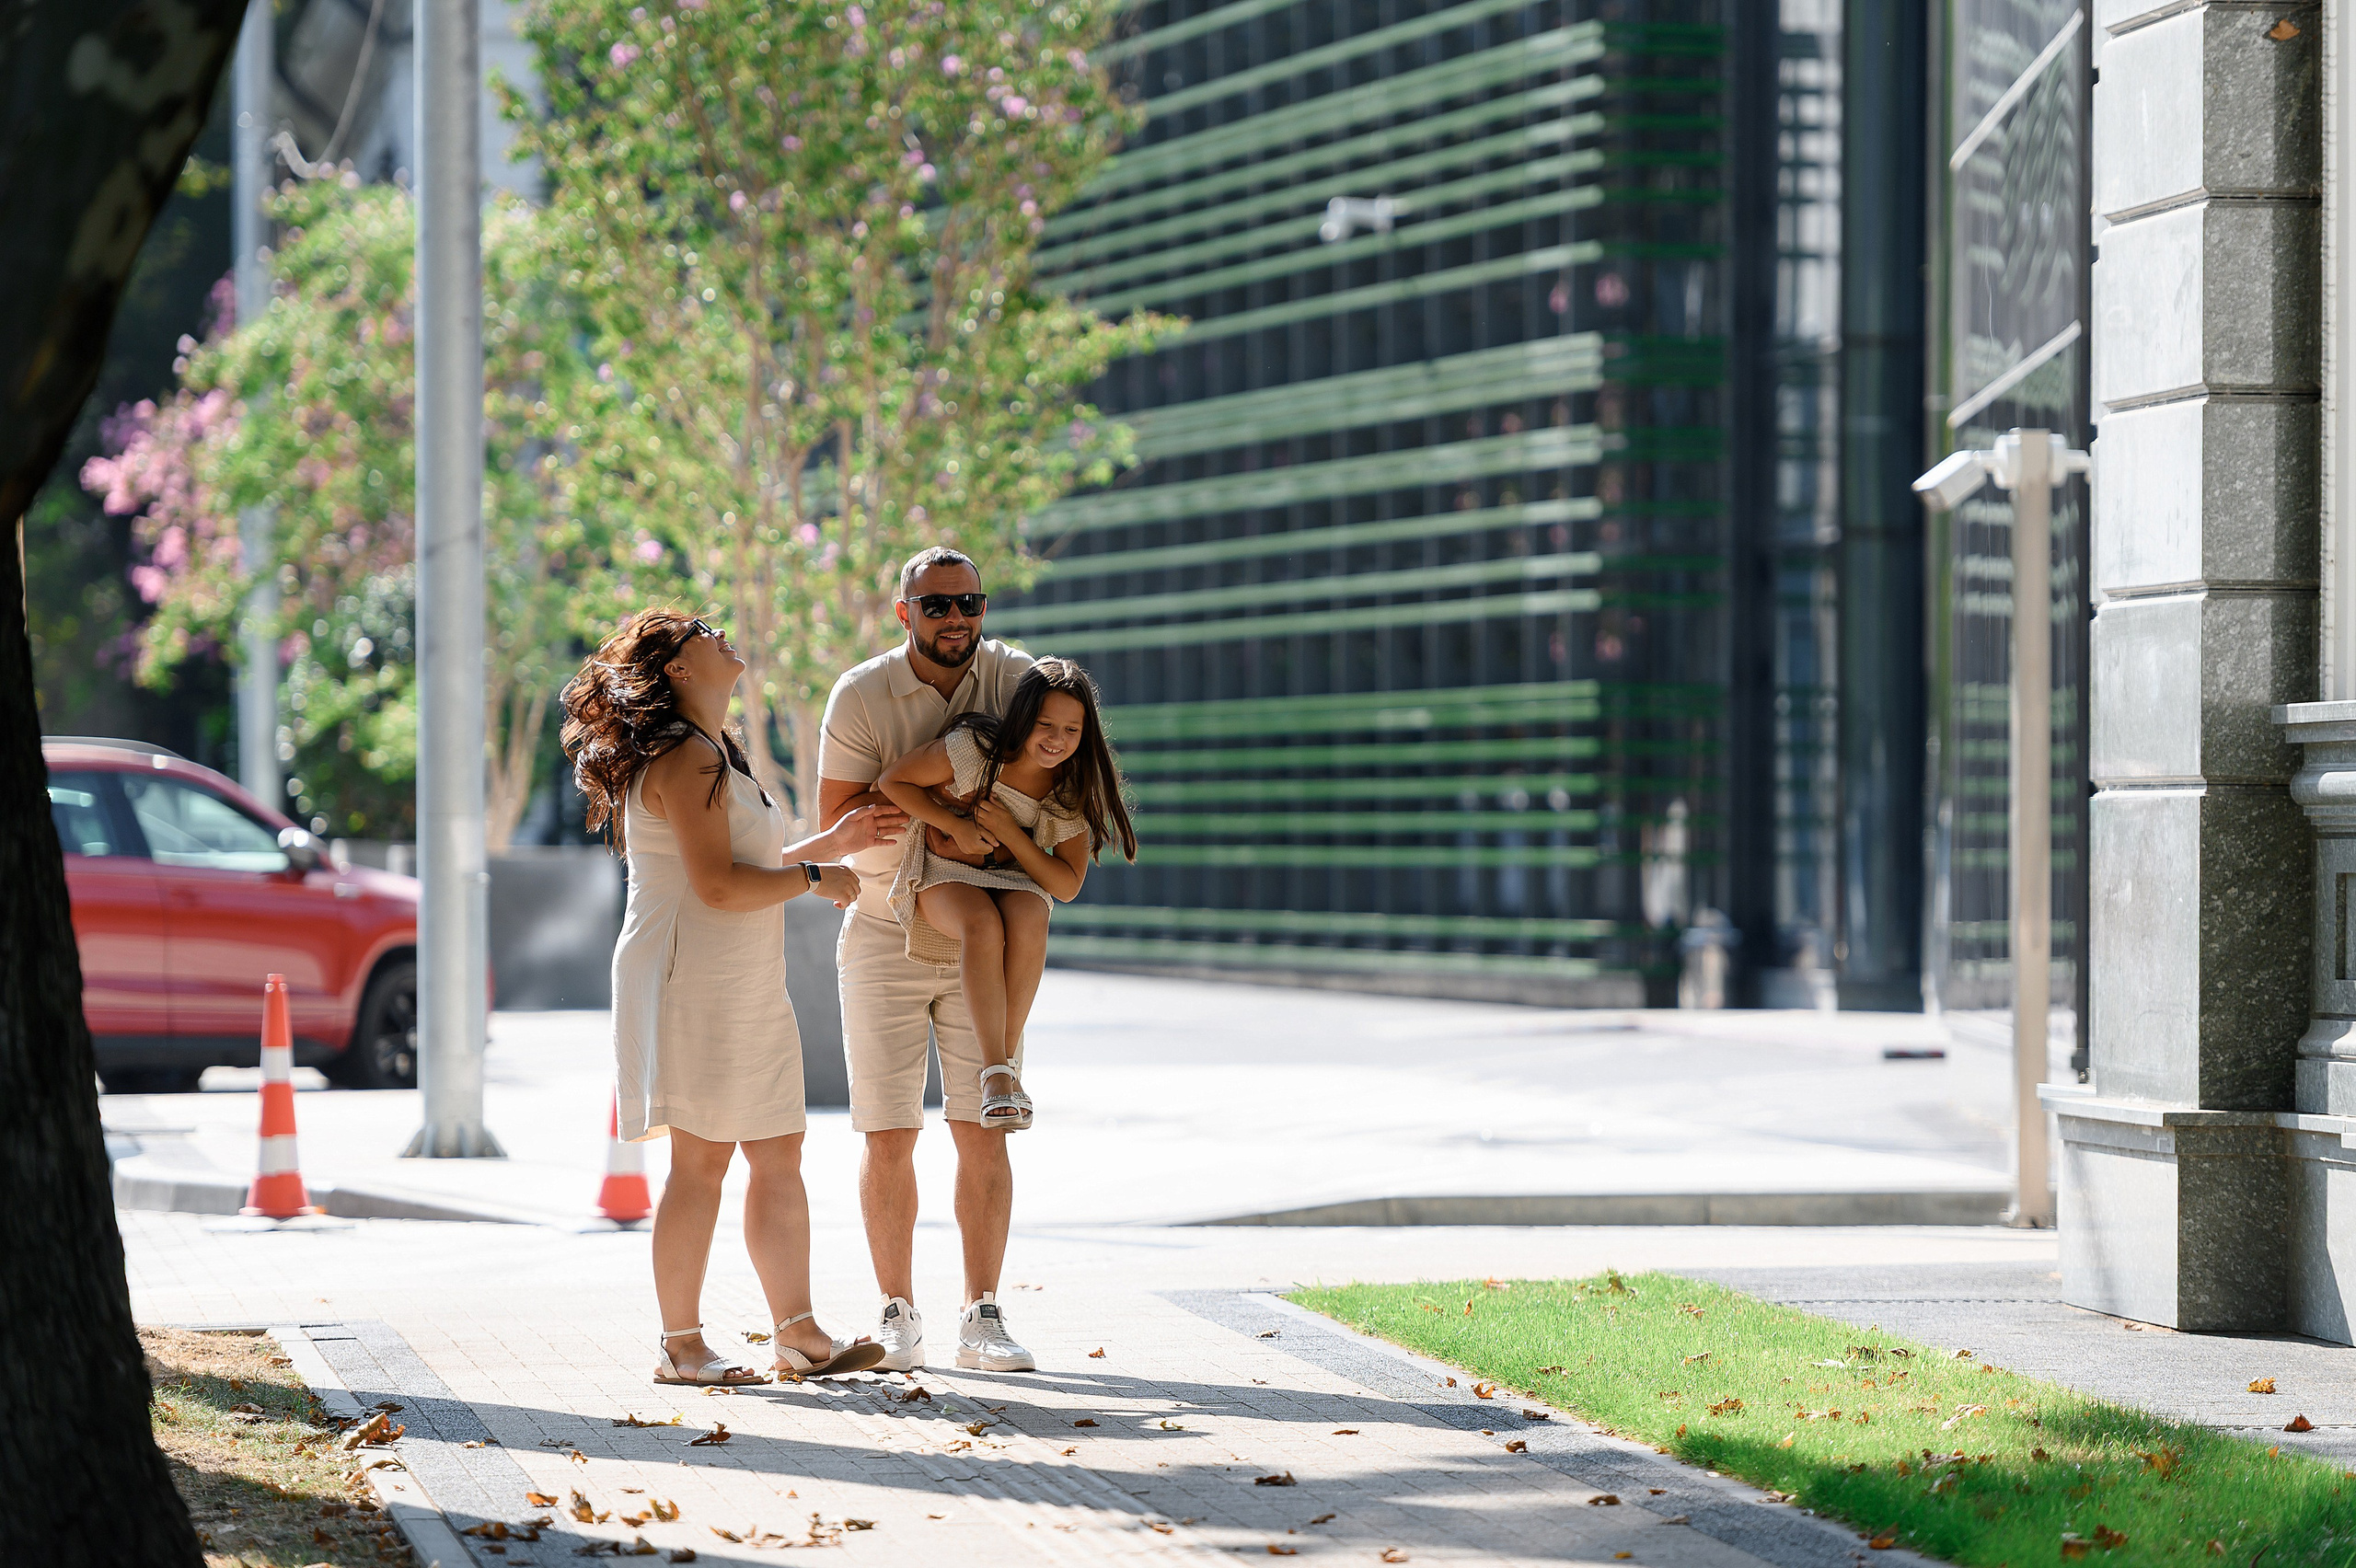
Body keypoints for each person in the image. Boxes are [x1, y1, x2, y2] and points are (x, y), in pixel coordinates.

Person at [560, 609, 890, 1386]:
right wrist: (815, 877)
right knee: (701, 1160)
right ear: (675, 668)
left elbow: (747, 862)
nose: (722, 633)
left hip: (742, 973)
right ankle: (681, 1346)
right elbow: (715, 886)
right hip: (689, 975)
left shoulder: (716, 752)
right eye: (701, 629)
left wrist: (827, 848)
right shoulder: (681, 758)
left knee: (778, 1149)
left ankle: (799, 1334)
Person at [818, 547, 1038, 1371]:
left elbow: (1060, 747)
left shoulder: (1014, 678)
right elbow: (840, 815)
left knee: (985, 1128)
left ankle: (982, 1316)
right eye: (937, 605)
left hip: (983, 935)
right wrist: (948, 822)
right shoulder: (861, 693)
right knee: (888, 1135)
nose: (956, 619)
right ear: (904, 612)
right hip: (881, 929)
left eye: (970, 603)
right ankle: (897, 1313)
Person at [876, 659, 1137, 1130]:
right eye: (1046, 725)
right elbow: (893, 781)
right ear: (1023, 718)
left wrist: (1009, 833)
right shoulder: (975, 751)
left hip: (1013, 875)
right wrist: (955, 824)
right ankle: (997, 1074)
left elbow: (1066, 884)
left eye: (1072, 730)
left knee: (1032, 915)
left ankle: (1003, 1067)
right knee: (983, 924)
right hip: (944, 869)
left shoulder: (1070, 786)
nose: (1057, 739)